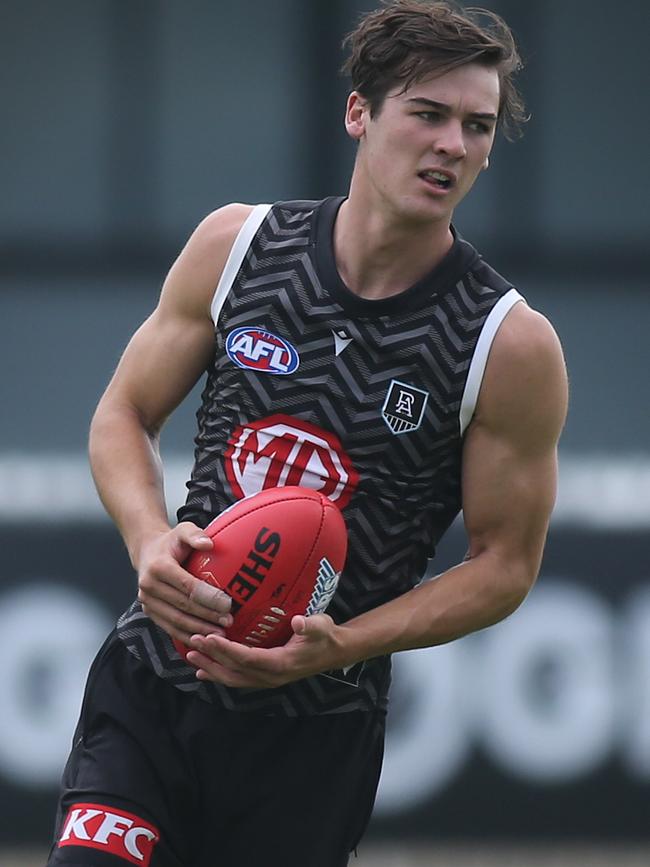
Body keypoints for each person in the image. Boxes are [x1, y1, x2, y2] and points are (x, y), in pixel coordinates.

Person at [47, 1, 568, 865]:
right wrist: (147, 542)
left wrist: (342, 647)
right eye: (427, 114)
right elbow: (123, 414)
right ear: (359, 112)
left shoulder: (507, 342)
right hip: (154, 683)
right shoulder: (237, 245)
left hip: (312, 737)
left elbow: (506, 564)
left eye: (476, 127)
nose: (453, 145)